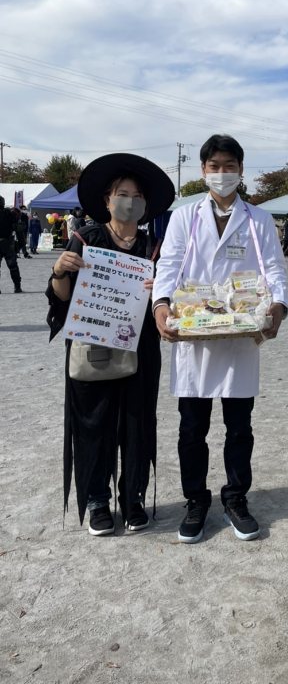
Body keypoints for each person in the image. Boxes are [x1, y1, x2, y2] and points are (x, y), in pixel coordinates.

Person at [152, 134, 288, 545]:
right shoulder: (185, 216)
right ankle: (196, 500)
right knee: (191, 427)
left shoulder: (259, 219)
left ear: (241, 170)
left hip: (240, 337)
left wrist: (278, 308)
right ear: (203, 171)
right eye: (214, 166)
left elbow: (275, 272)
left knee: (239, 426)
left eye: (229, 166)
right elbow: (169, 265)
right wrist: (161, 305)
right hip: (194, 334)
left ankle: (235, 498)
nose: (222, 173)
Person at [46, 153, 175, 536]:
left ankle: (132, 497)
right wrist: (59, 271)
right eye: (122, 193)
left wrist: (161, 293)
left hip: (140, 350)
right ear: (107, 199)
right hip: (92, 347)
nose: (129, 201)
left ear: (145, 204)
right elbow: (60, 298)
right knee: (93, 424)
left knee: (137, 424)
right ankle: (97, 499)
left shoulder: (155, 247)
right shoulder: (87, 238)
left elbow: (170, 300)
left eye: (137, 196)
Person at [0, 196, 22, 294]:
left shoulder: (9, 212)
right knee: (13, 266)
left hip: (7, 242)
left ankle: (17, 287)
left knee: (13, 266)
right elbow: (17, 227)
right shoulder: (9, 213)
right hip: (7, 243)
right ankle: (17, 287)